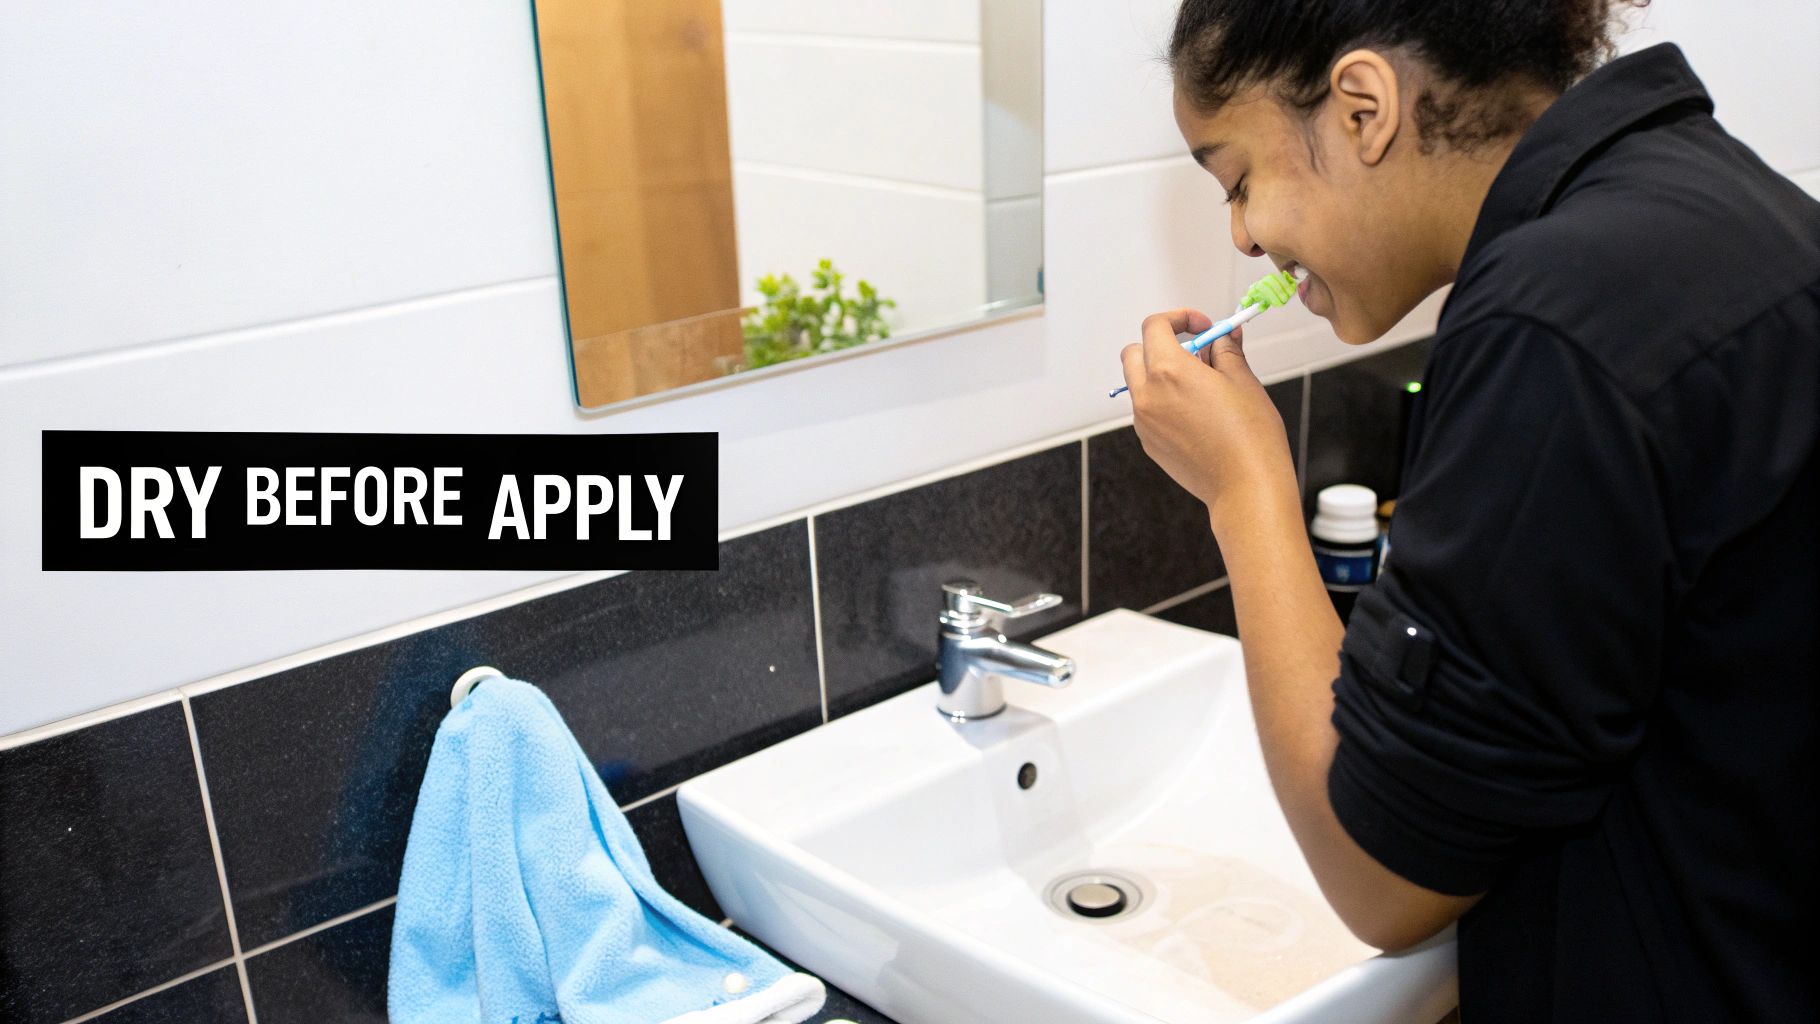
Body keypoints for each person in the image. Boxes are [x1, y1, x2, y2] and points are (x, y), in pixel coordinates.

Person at [1117, 2, 1819, 1020]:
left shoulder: (1552, 321)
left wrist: (1244, 489)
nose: (1242, 235)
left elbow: (1384, 881)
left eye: (1238, 182)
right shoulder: (1703, 201)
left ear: (1362, 108)